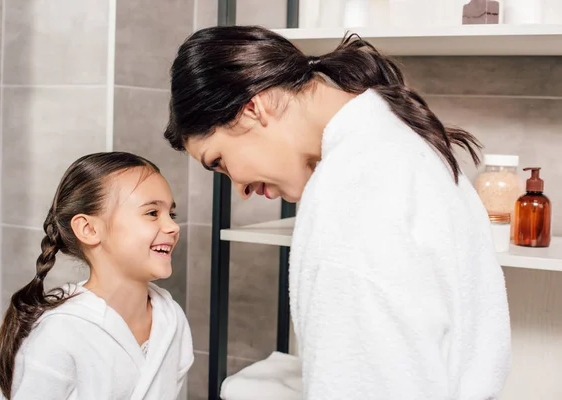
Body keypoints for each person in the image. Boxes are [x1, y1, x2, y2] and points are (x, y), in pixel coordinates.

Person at [163, 25, 511, 399]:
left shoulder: (352, 191)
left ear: (252, 108)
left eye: (220, 162)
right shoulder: (398, 142)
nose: (241, 190)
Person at [0, 152, 193, 399]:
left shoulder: (170, 317)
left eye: (171, 214)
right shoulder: (60, 333)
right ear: (88, 229)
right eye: (152, 213)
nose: (173, 227)